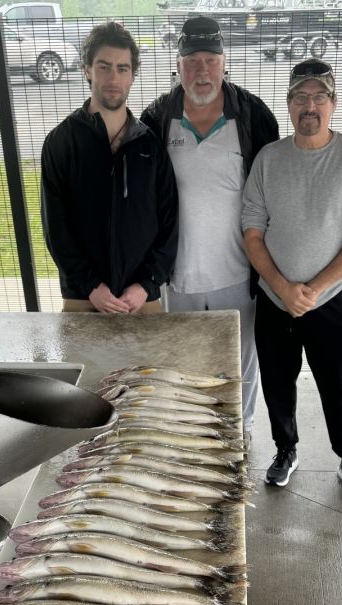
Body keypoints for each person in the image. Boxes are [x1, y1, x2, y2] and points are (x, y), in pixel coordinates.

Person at [241, 60, 342, 497]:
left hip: (332, 299)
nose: (310, 106)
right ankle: (285, 451)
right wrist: (283, 288)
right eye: (301, 97)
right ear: (289, 104)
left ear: (333, 104)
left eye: (320, 97)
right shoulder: (269, 159)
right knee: (276, 385)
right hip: (274, 299)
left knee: (340, 388)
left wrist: (314, 289)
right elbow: (252, 232)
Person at [141, 16, 279, 432]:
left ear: (224, 63)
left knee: (239, 365)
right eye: (192, 61)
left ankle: (240, 434)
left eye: (211, 60)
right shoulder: (156, 119)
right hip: (178, 275)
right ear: (178, 66)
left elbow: (272, 196)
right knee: (182, 365)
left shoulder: (253, 116)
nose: (202, 71)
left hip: (238, 274)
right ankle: (192, 437)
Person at [40, 21, 178, 314]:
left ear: (132, 75)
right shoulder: (62, 142)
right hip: (84, 298)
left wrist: (146, 285)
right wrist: (91, 286)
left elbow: (169, 224)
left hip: (140, 300)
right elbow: (56, 229)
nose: (113, 78)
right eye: (104, 67)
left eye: (122, 68)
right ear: (87, 70)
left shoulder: (150, 145)